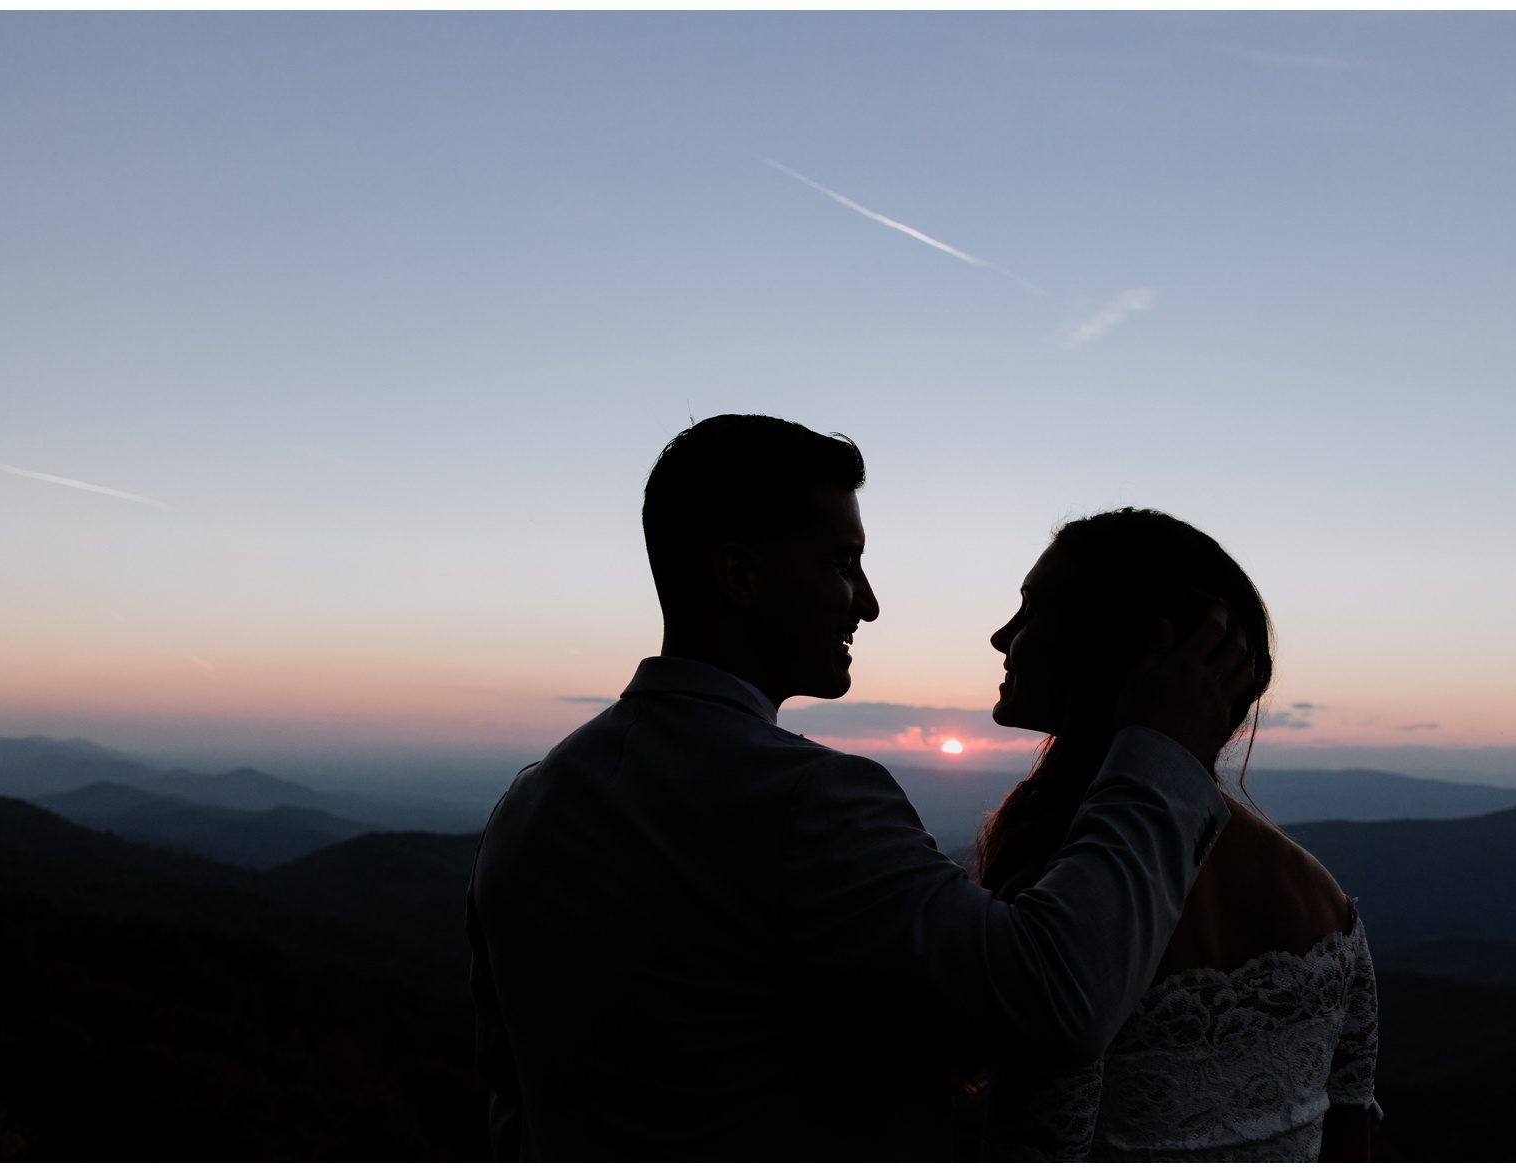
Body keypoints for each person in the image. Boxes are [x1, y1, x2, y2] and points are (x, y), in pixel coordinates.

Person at [467, 415, 1254, 1159]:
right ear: (740, 574)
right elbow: (1057, 996)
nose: (869, 602)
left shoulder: (529, 806)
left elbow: (510, 1094)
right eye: (843, 562)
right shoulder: (812, 803)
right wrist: (1159, 751)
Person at [973, 507, 1381, 1161]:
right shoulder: (1323, 898)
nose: (1001, 636)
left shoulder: (1072, 905)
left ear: (1108, 642)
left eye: (1031, 610)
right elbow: (1350, 1128)